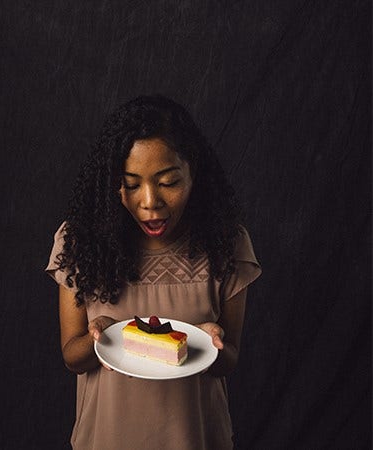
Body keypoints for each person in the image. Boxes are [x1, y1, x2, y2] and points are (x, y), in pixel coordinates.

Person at [45, 94, 261, 450]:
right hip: (106, 439)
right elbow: (72, 356)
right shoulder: (81, 243)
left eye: (168, 182)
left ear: (194, 174)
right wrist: (97, 339)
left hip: (198, 439)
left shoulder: (227, 245)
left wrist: (212, 344)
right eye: (131, 184)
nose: (149, 201)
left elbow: (228, 362)